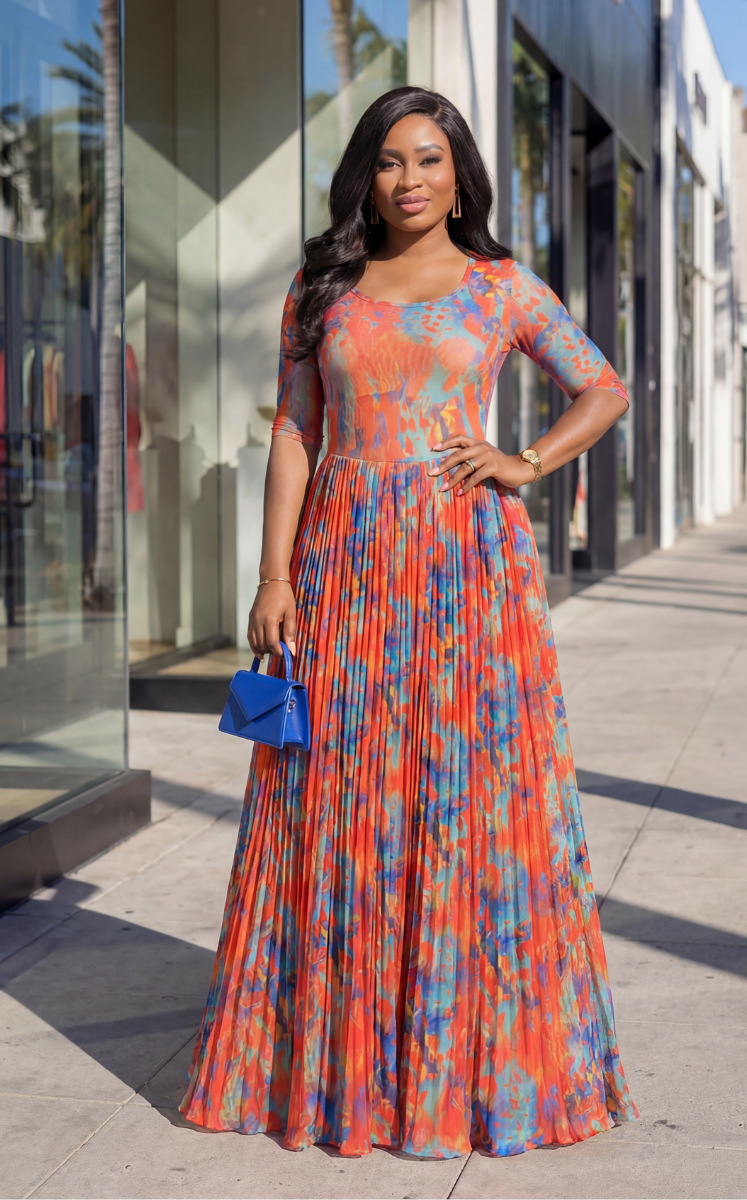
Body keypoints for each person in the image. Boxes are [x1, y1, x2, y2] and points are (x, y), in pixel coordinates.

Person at [180, 86, 638, 1159]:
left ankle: (454, 1072)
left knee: (460, 797)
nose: (408, 179)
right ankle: (337, 1067)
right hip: (340, 569)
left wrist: (523, 461)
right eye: (389, 161)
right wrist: (272, 575)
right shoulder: (323, 283)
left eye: (428, 159)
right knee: (335, 793)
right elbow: (297, 430)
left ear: (458, 173)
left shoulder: (495, 286)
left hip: (462, 574)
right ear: (365, 176)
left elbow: (601, 387)